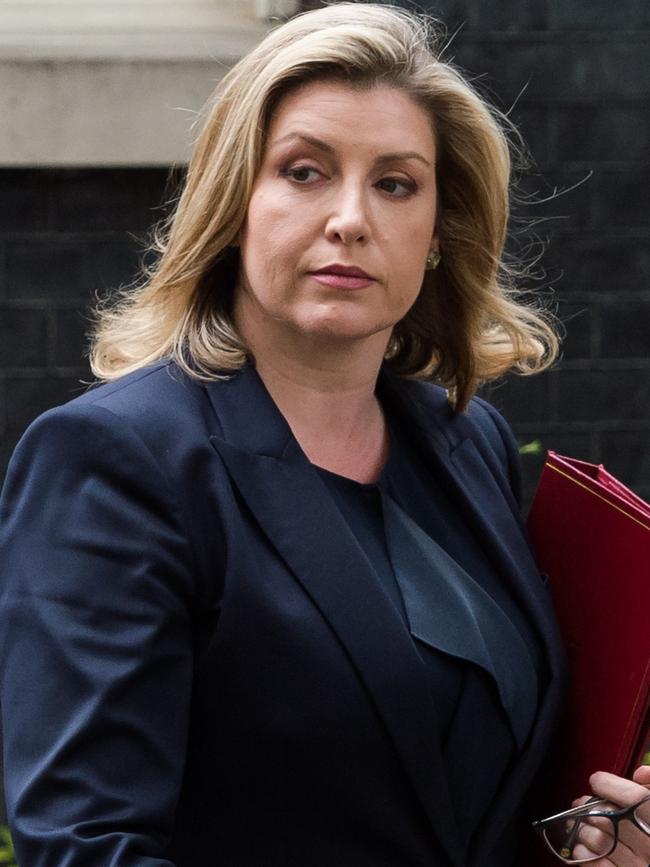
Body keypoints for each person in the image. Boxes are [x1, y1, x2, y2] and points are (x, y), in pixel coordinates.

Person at [0, 4, 648, 866]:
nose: (351, 217)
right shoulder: (117, 463)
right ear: (234, 206)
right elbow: (84, 846)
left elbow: (473, 796)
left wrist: (592, 843)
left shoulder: (467, 441)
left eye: (395, 183)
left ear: (437, 235)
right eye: (304, 172)